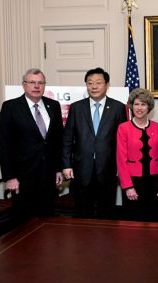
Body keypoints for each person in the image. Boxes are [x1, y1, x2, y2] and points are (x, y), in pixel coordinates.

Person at [0, 68, 64, 218]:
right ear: (24, 85)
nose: (36, 86)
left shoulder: (53, 106)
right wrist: (9, 177)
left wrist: (58, 169)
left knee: (47, 220)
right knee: (24, 222)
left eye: (40, 83)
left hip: (48, 176)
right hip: (22, 178)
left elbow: (58, 140)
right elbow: (4, 144)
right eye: (32, 82)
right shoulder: (10, 107)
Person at [62, 67, 127, 219]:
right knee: (83, 214)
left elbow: (122, 141)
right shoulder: (77, 108)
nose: (94, 86)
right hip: (81, 170)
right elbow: (67, 138)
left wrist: (121, 167)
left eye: (98, 82)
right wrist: (66, 164)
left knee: (107, 214)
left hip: (108, 170)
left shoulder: (118, 108)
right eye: (90, 83)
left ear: (107, 85)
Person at [116, 88, 158, 221]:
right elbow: (121, 159)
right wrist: (128, 187)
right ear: (131, 106)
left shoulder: (156, 127)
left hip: (153, 181)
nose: (139, 108)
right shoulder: (123, 128)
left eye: (143, 104)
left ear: (149, 107)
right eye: (136, 104)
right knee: (133, 223)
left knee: (154, 220)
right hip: (133, 182)